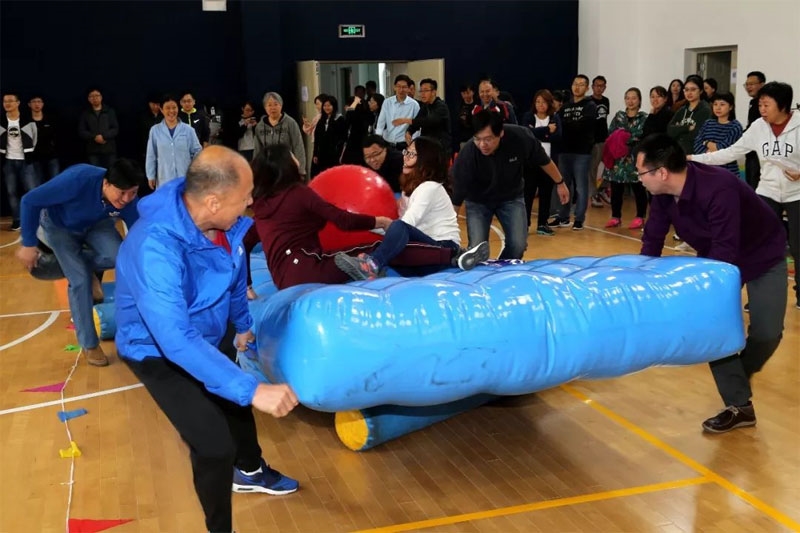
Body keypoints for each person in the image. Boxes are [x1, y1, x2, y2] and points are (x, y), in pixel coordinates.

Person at [114, 146, 300, 533]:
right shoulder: (154, 247)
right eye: (245, 196)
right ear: (213, 201)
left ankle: (250, 470)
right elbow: (174, 338)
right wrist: (253, 388)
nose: (251, 203)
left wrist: (243, 324)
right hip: (155, 351)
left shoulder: (226, 227)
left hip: (208, 331)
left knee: (235, 406)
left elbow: (234, 279)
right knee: (215, 445)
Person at [636, 134, 788, 433]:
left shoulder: (718, 188)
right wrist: (641, 283)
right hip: (717, 257)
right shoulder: (663, 195)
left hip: (762, 254)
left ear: (662, 172)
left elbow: (725, 248)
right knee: (716, 332)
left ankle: (738, 378)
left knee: (768, 333)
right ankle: (739, 405)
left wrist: (702, 291)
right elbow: (653, 237)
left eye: (641, 172)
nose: (638, 179)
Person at [16, 159, 142, 366]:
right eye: (122, 193)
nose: (127, 199)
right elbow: (30, 201)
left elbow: (139, 233)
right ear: (106, 184)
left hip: (97, 225)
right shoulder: (77, 179)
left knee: (120, 257)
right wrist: (28, 243)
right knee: (80, 280)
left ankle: (75, 265)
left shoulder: (129, 200)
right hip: (60, 227)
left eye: (133, 193)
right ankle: (89, 344)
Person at [689, 81, 799, 308]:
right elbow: (730, 153)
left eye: (767, 105)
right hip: (767, 191)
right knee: (758, 243)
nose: (762, 110)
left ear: (783, 105)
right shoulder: (758, 127)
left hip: (797, 193)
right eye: (760, 105)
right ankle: (757, 295)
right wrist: (693, 159)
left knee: (798, 246)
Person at [334, 136, 489, 280]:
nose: (405, 157)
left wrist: (383, 224)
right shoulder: (409, 191)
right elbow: (398, 233)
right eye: (406, 152)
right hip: (423, 251)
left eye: (412, 154)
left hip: (442, 248)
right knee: (389, 247)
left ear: (425, 160)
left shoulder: (430, 187)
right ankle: (375, 267)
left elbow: (405, 225)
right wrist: (368, 224)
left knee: (395, 235)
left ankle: (372, 265)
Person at [452, 109, 570, 259]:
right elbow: (458, 191)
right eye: (477, 139)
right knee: (477, 249)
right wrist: (451, 221)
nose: (482, 144)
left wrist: (560, 183)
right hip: (478, 201)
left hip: (511, 197)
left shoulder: (521, 137)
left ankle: (502, 270)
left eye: (488, 139)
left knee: (518, 245)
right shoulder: (469, 153)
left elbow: (544, 161)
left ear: (501, 133)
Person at [145, 94, 202, 189]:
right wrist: (150, 175)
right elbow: (151, 155)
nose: (171, 111)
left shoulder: (188, 130)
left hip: (185, 178)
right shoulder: (155, 130)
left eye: (174, 107)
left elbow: (197, 152)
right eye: (167, 108)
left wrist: (195, 171)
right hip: (164, 179)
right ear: (161, 109)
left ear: (178, 108)